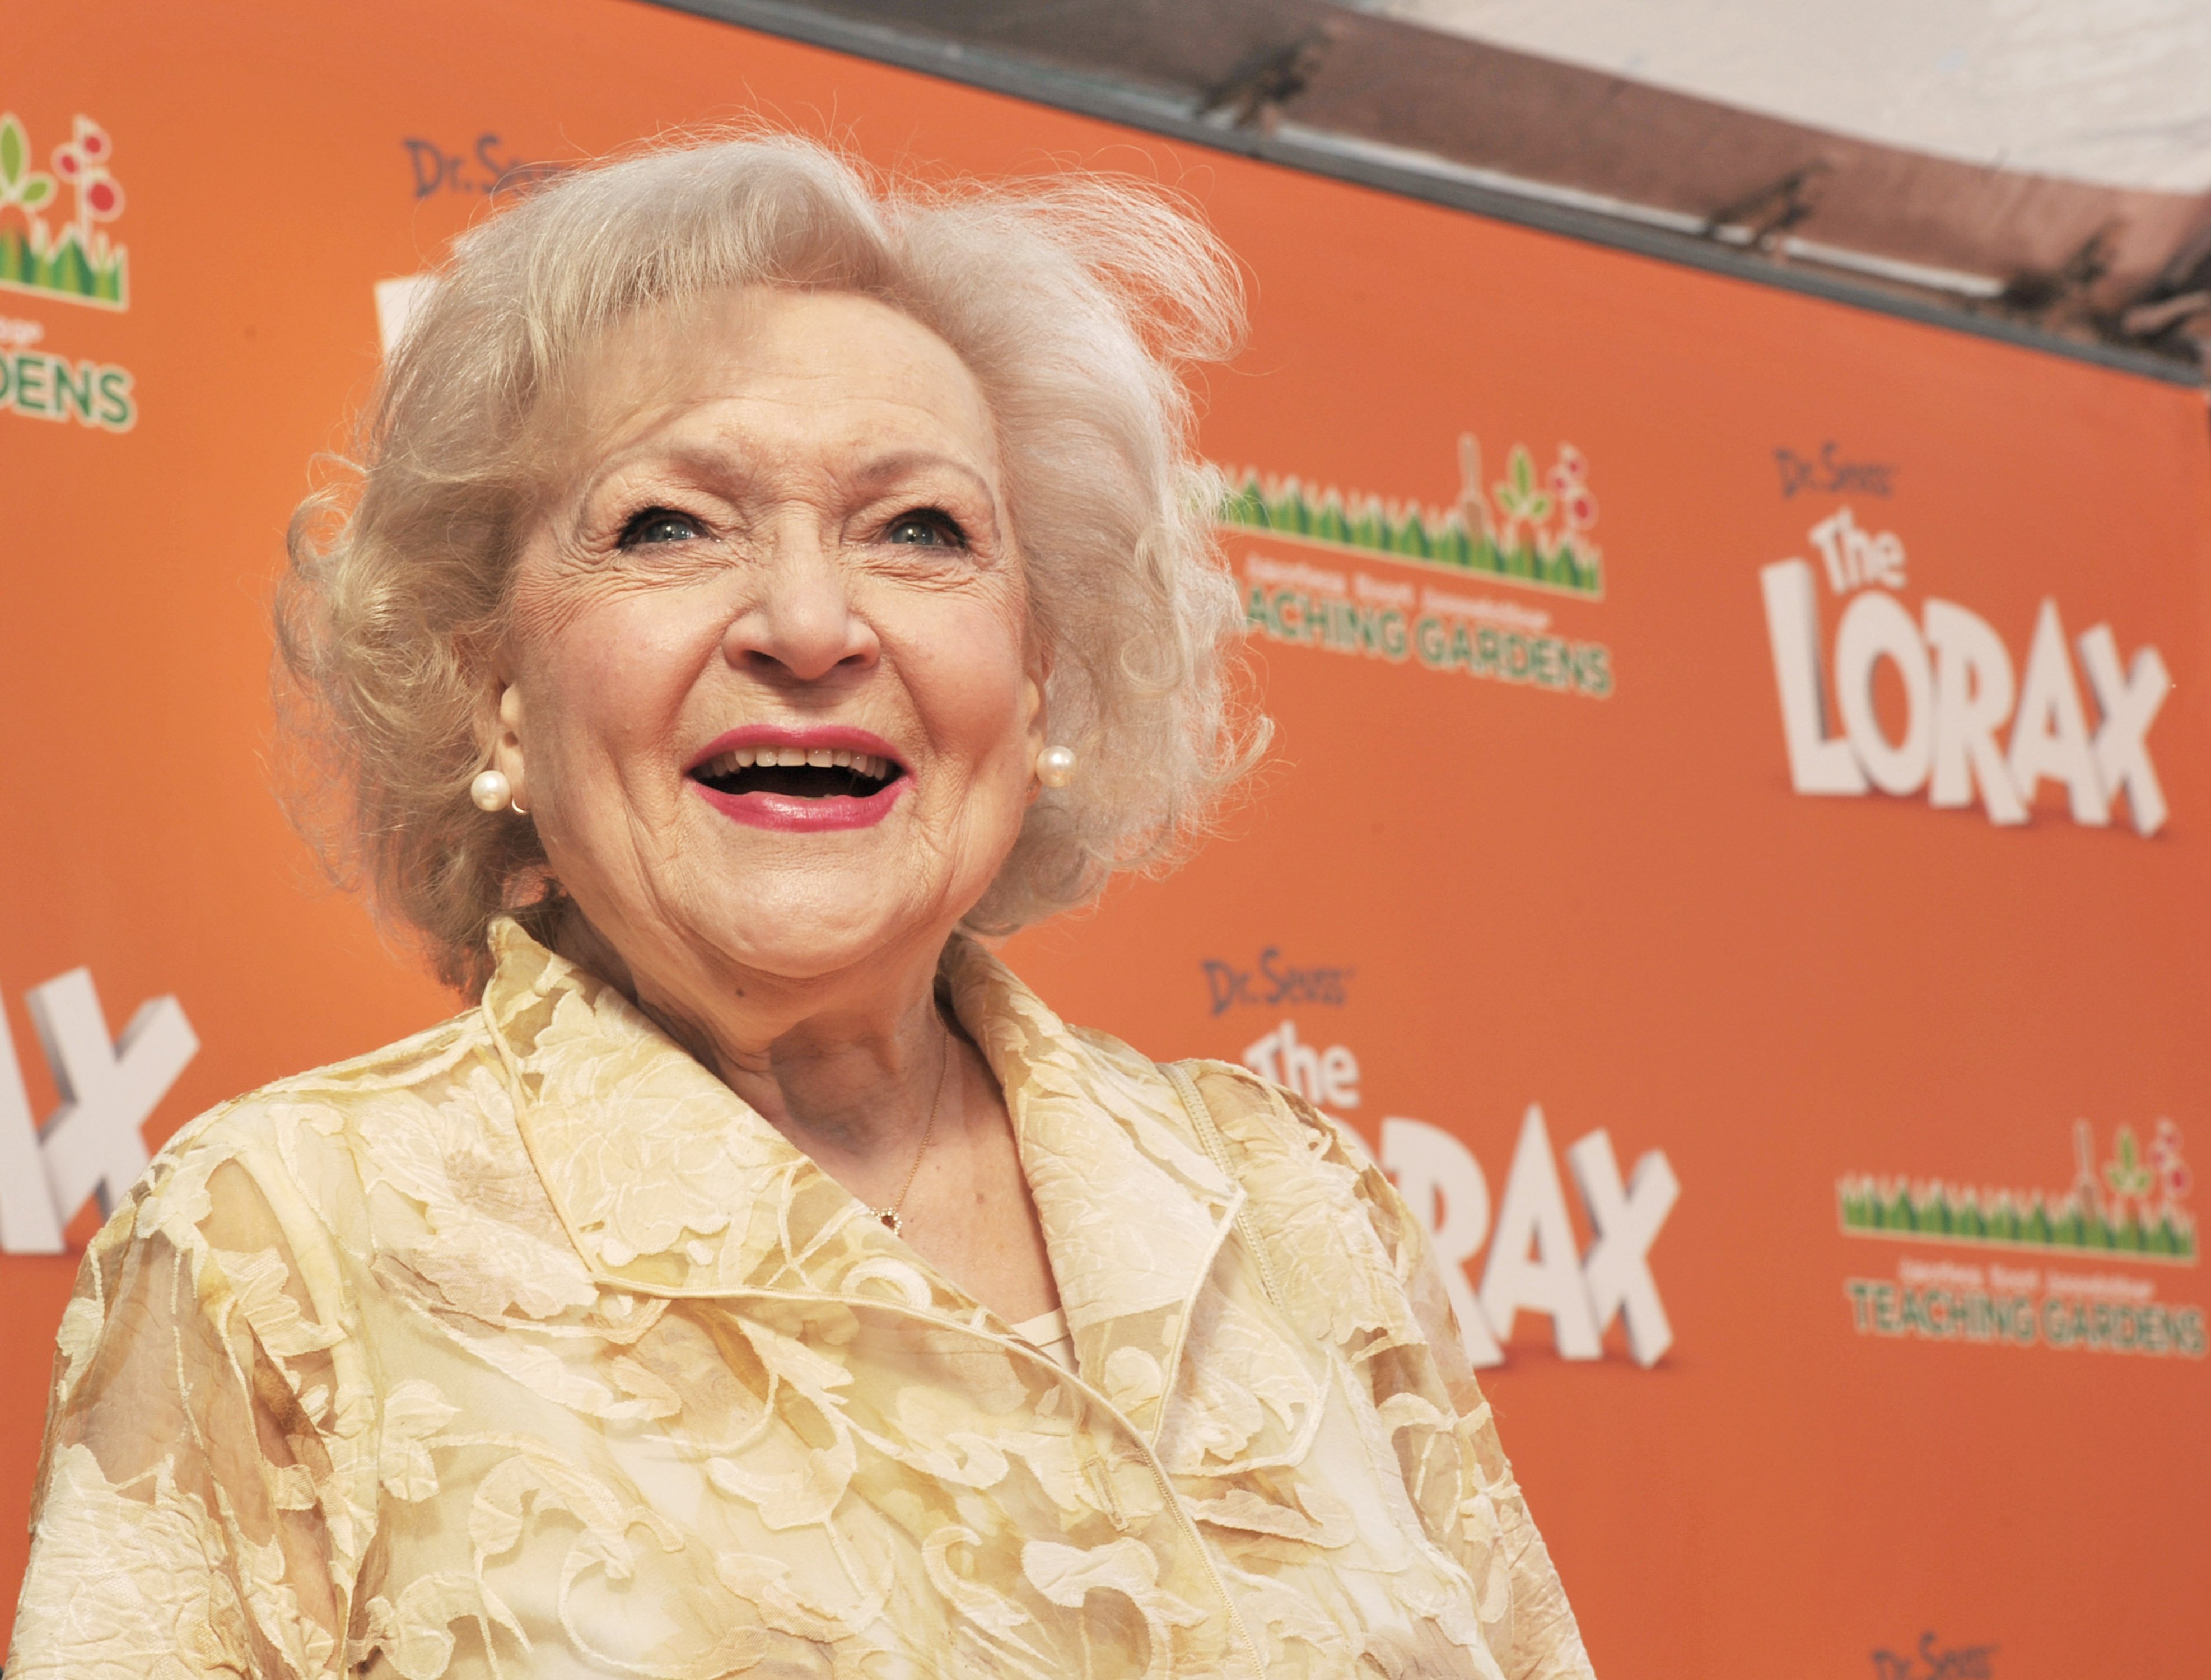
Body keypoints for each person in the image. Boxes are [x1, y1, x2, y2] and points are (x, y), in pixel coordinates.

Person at [7, 133, 1596, 1679]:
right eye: (667, 525)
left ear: (1036, 676)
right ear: (489, 690)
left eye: (921, 531)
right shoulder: (284, 1237)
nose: (812, 621)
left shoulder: (1295, 1204)